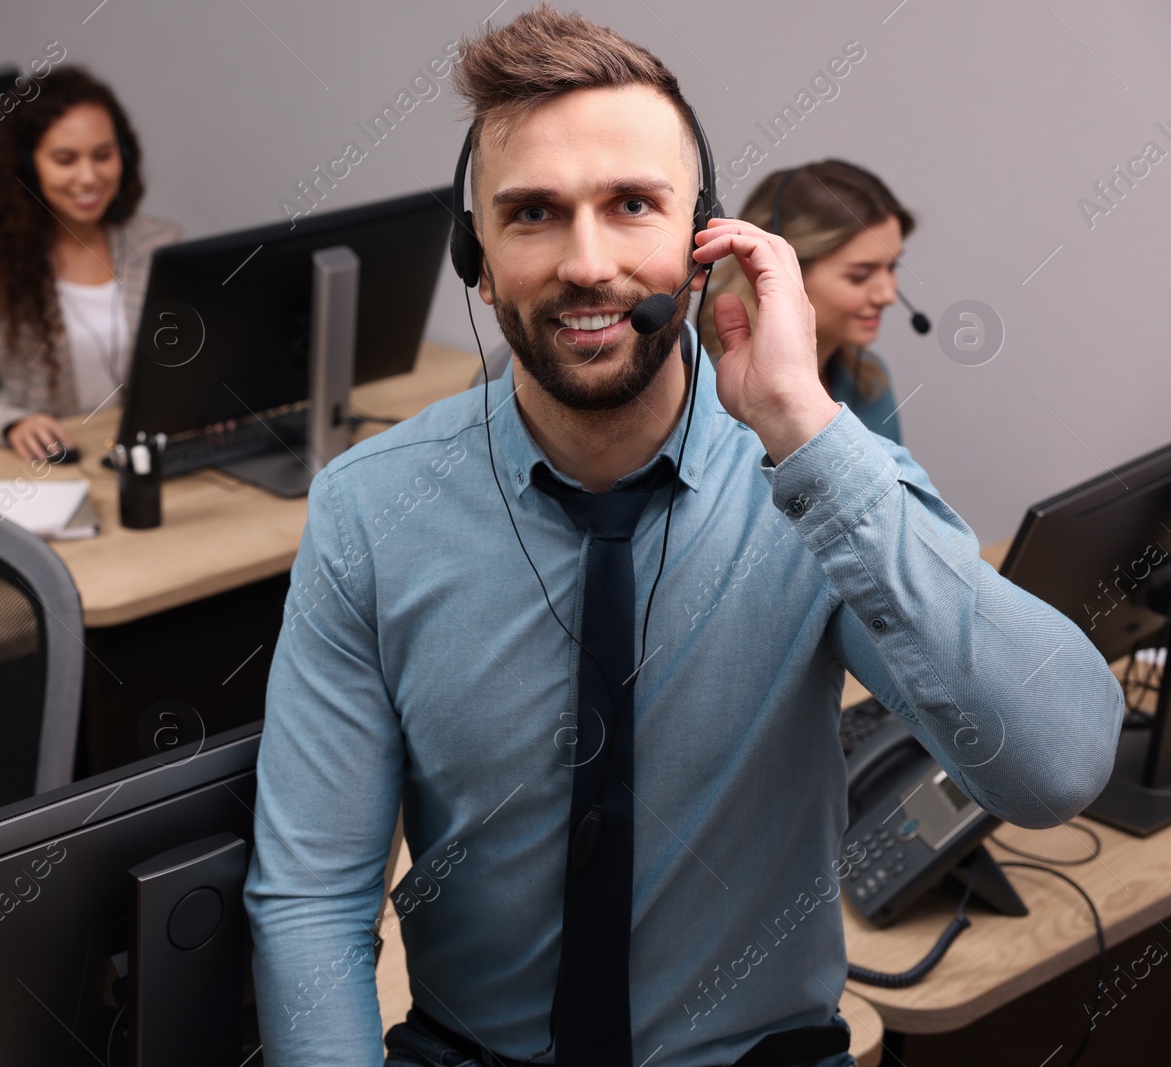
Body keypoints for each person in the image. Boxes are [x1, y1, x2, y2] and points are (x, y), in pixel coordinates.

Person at [243, 6, 1123, 1067]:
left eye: (630, 205)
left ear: (702, 244)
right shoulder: (367, 510)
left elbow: (1056, 765)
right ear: (475, 259)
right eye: (530, 213)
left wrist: (804, 429)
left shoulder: (819, 484)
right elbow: (310, 902)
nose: (585, 261)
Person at [0, 67, 181, 462]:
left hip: (132, 458)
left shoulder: (161, 245)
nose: (88, 177)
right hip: (36, 468)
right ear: (28, 166)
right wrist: (11, 423)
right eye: (65, 160)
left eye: (103, 155)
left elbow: (189, 364)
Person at [701, 161, 915, 444]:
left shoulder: (869, 382)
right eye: (859, 276)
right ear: (785, 268)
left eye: (892, 267)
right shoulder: (699, 383)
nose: (888, 295)